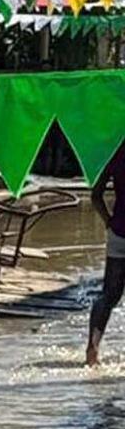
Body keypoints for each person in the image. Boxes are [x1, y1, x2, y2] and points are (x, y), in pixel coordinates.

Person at [88, 147, 125, 365]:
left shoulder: (114, 153)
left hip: (119, 233)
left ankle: (91, 350)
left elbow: (95, 196)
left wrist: (108, 222)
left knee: (108, 295)